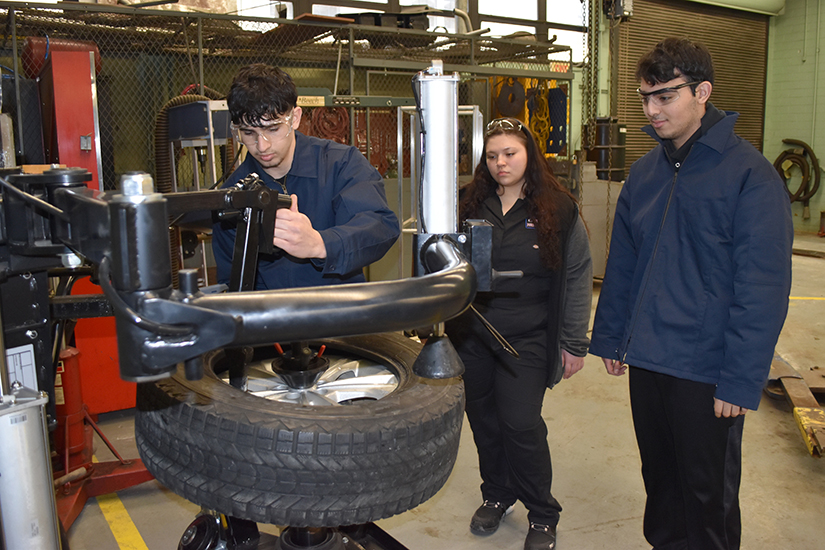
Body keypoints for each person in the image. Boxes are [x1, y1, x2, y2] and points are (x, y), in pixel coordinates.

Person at [589, 38, 793, 550]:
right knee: (660, 483)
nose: (651, 110)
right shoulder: (646, 171)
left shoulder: (751, 176)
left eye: (665, 97)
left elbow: (762, 288)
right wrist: (613, 337)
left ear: (702, 92)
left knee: (707, 496)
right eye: (644, 98)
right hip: (651, 360)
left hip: (706, 369)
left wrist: (740, 380)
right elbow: (625, 265)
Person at [446, 117, 592, 550]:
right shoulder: (468, 204)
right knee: (484, 421)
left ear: (529, 153)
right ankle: (497, 494)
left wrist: (573, 341)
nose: (500, 163)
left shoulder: (558, 208)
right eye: (492, 156)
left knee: (521, 423)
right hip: (472, 332)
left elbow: (579, 273)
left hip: (528, 336)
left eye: (509, 153)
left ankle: (543, 513)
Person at [212, 63, 400, 290]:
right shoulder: (235, 196)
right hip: (274, 320)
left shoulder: (339, 164)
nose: (262, 146)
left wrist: (320, 244)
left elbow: (380, 226)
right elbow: (233, 282)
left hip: (341, 315)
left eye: (273, 129)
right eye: (249, 133)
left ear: (295, 118)